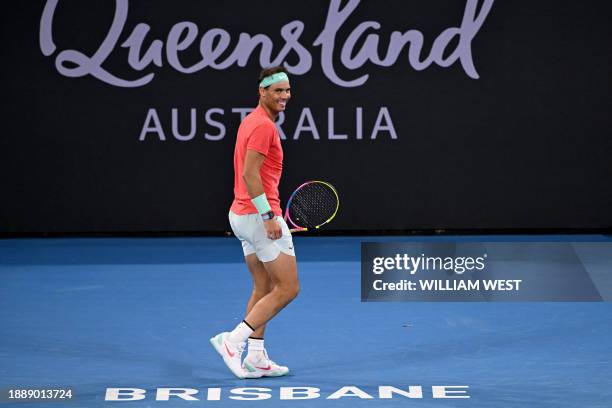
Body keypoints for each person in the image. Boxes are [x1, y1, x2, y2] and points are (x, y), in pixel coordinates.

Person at [210, 66, 299, 379]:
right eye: (277, 90)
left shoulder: (252, 120)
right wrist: (268, 215)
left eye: (287, 90)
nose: (284, 96)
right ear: (262, 91)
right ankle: (232, 341)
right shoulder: (263, 126)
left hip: (240, 215)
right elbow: (250, 174)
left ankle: (256, 357)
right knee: (288, 288)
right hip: (258, 216)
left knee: (263, 285)